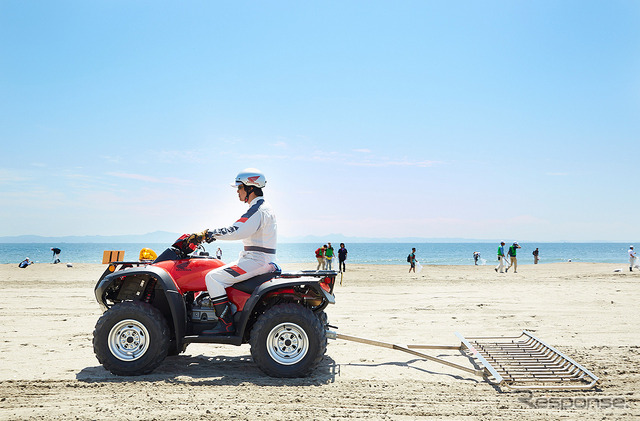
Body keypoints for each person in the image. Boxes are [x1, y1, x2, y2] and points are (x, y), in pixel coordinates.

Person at [200, 168, 277, 335]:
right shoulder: (262, 207)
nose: (237, 191)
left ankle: (225, 324)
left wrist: (211, 233)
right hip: (260, 259)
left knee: (212, 277)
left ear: (250, 188)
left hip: (257, 261)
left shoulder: (258, 210)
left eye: (239, 187)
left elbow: (237, 230)